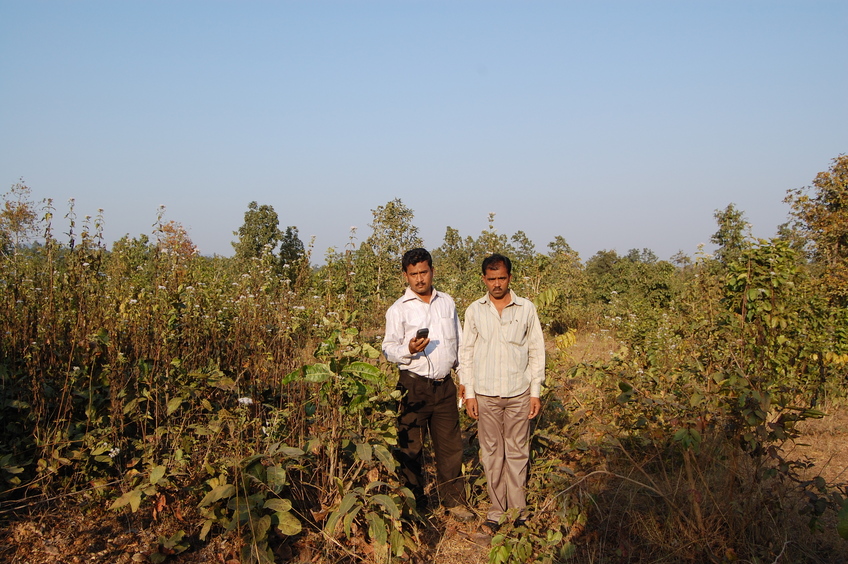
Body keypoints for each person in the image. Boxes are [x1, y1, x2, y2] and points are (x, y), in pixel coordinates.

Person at [383, 248, 474, 521]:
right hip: (413, 387)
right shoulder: (398, 309)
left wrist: (464, 380)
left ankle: (454, 502)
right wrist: (408, 348)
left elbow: (458, 344)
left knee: (450, 448)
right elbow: (388, 349)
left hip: (445, 387)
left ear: (432, 271)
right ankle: (414, 505)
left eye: (423, 272)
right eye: (413, 274)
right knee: (410, 448)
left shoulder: (447, 303)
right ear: (405, 276)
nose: (419, 279)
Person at [460, 253, 545, 535]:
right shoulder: (474, 310)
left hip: (519, 392)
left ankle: (520, 511)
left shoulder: (526, 309)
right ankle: (496, 512)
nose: (497, 284)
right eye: (491, 278)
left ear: (510, 277)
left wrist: (535, 392)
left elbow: (536, 351)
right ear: (484, 279)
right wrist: (469, 393)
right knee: (492, 454)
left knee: (518, 452)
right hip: (485, 395)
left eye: (502, 278)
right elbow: (467, 353)